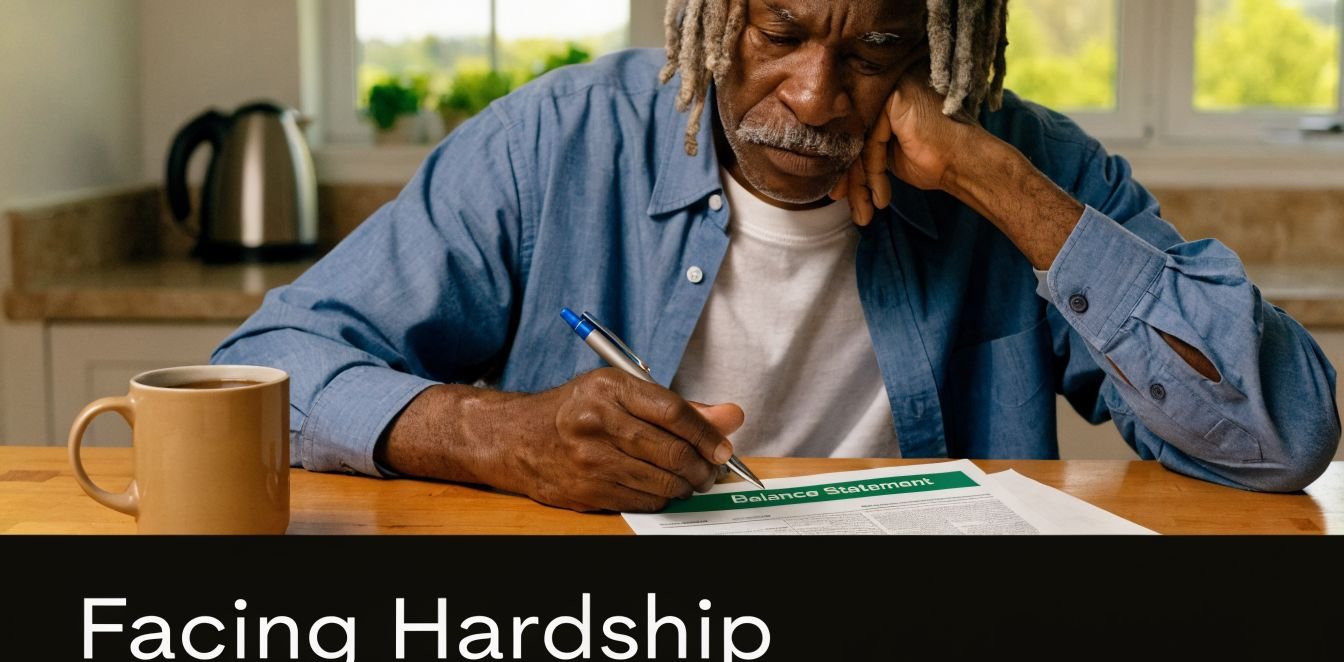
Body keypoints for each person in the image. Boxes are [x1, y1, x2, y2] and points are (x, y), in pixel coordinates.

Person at [213, 0, 1340, 511]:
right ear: (713, 17)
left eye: (878, 48)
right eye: (781, 34)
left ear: (943, 43)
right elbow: (264, 371)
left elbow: (1280, 440)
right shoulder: (553, 142)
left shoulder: (1023, 163)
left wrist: (995, 183)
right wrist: (500, 435)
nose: (812, 95)